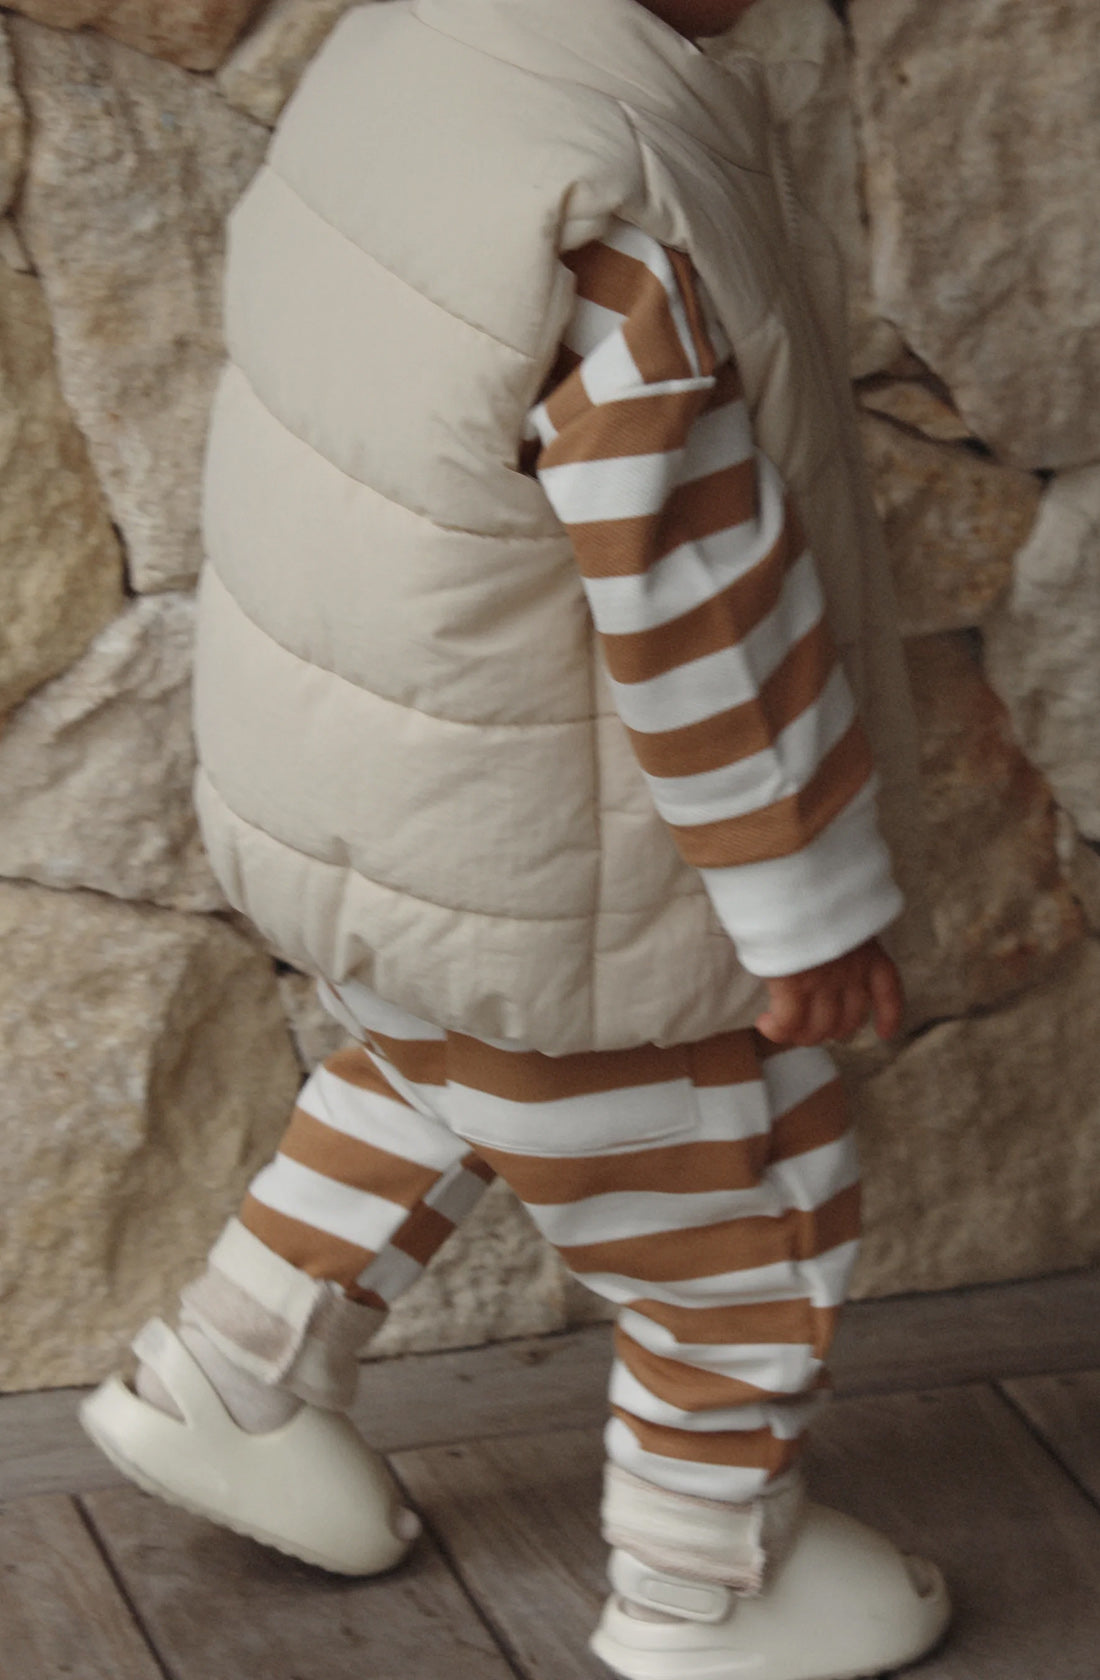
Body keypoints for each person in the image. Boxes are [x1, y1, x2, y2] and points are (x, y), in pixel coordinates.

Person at [81, 1, 951, 1675]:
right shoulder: (610, 195)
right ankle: (710, 1590)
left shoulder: (401, 54)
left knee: (431, 1063)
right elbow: (697, 597)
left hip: (388, 799)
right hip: (584, 847)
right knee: (740, 1223)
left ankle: (231, 1374)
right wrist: (802, 899)